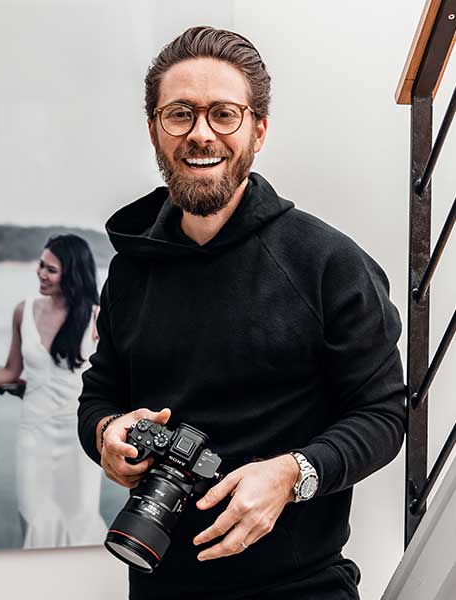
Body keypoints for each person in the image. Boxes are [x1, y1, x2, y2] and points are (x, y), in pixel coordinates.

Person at [77, 27, 406, 600]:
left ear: (259, 131)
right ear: (155, 130)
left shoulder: (328, 263)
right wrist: (106, 434)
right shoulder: (131, 267)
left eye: (223, 114)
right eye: (180, 114)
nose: (201, 133)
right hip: (157, 584)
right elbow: (100, 393)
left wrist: (292, 474)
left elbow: (383, 414)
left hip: (302, 587)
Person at [0, 234, 107, 549]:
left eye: (51, 269)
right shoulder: (23, 311)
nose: (41, 274)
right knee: (34, 514)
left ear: (72, 273)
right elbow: (10, 372)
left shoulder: (97, 317)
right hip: (34, 432)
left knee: (80, 517)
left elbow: (113, 377)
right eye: (41, 266)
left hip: (79, 435)